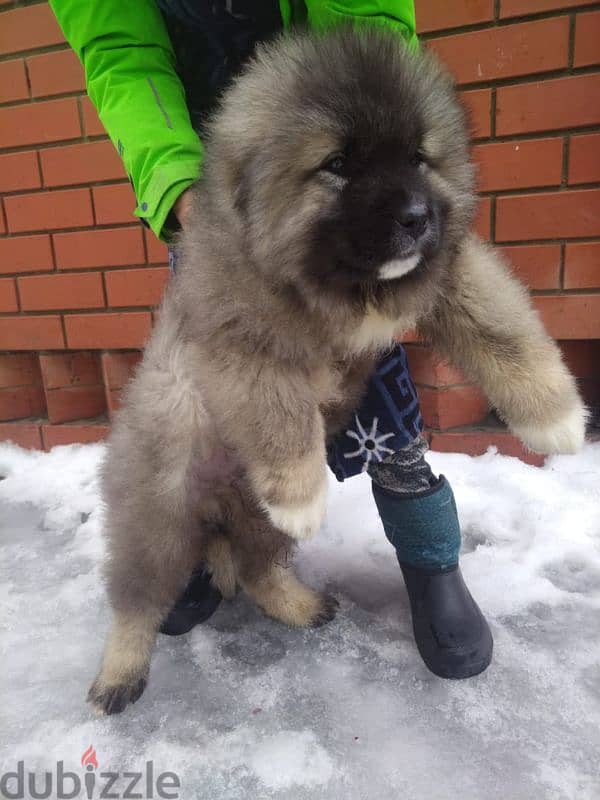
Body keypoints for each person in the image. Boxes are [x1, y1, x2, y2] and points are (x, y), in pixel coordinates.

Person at [49, 0, 493, 679]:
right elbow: (121, 56)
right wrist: (178, 186)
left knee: (374, 384)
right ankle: (210, 549)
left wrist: (363, 153)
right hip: (211, 177)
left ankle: (428, 555)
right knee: (214, 403)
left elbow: (366, 23)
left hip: (332, 177)